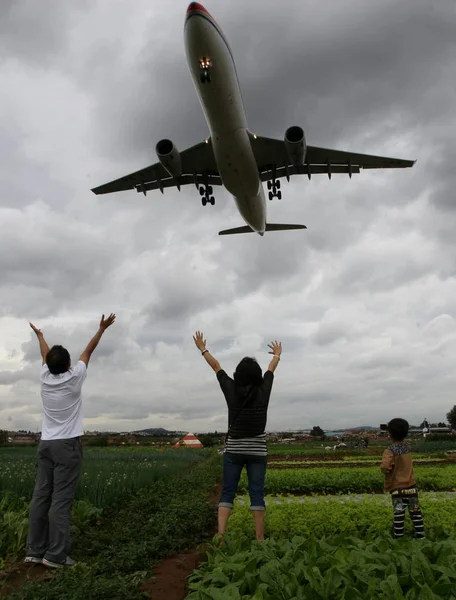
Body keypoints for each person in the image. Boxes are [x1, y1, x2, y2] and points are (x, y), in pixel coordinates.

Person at [25, 313, 116, 568]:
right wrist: (101, 329)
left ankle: (34, 550)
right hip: (67, 446)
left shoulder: (44, 378)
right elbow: (89, 350)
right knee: (61, 500)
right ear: (68, 365)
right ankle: (56, 555)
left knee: (41, 495)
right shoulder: (75, 378)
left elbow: (45, 354)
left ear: (49, 365)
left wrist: (40, 336)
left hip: (46, 445)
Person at [193, 330, 281, 541]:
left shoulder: (230, 389)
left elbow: (216, 367)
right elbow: (271, 369)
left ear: (238, 375)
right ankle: (260, 539)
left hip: (234, 449)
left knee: (228, 492)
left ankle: (221, 538)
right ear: (257, 375)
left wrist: (203, 349)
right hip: (258, 450)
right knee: (256, 494)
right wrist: (277, 354)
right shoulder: (264, 390)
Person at [380, 418, 425, 539]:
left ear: (390, 434)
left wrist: (386, 469)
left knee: (399, 515)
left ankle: (399, 538)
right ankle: (421, 537)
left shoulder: (389, 451)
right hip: (411, 487)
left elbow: (385, 466)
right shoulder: (407, 448)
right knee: (416, 513)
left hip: (397, 489)